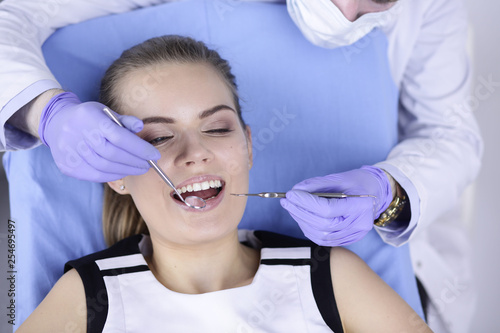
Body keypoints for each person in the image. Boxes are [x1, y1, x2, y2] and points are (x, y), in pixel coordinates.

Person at [0, 0, 482, 332]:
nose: (195, 153)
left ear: (251, 146)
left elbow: (451, 134)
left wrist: (387, 191)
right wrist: (49, 115)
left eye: (217, 128)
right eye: (160, 136)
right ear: (116, 173)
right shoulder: (88, 296)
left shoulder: (331, 277)